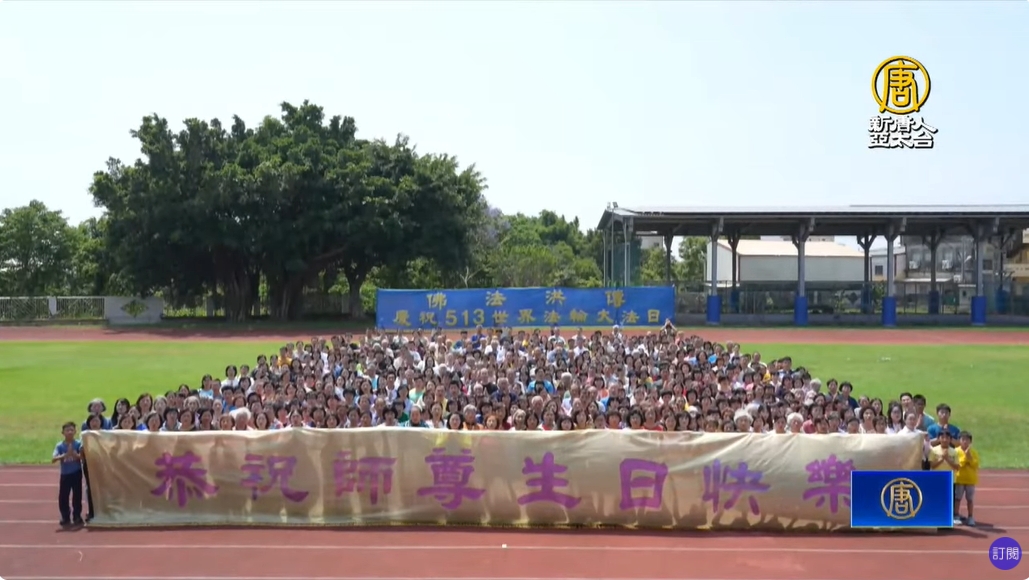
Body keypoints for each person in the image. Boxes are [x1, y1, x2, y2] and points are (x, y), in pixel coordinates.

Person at [52, 421, 84, 527]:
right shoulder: (60, 446)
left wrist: (75, 455)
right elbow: (53, 459)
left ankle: (77, 516)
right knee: (63, 496)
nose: (70, 432)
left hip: (76, 473)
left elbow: (83, 457)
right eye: (67, 430)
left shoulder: (78, 444)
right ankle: (65, 516)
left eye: (71, 430)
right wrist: (65, 455)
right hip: (65, 474)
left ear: (75, 431)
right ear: (63, 432)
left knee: (77, 496)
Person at [954, 431, 980, 527]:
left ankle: (970, 517)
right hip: (959, 479)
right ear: (959, 441)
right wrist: (966, 457)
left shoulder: (973, 452)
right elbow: (958, 464)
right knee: (957, 498)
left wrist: (970, 458)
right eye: (963, 439)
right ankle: (956, 515)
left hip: (970, 480)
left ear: (970, 441)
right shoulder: (956, 451)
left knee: (970, 499)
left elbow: (975, 465)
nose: (965, 442)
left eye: (967, 440)